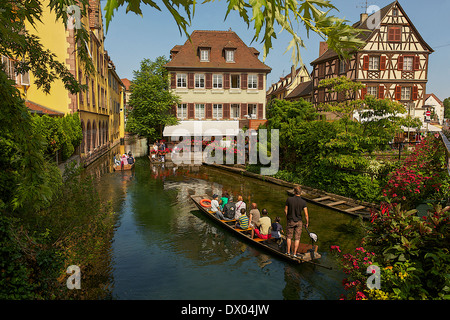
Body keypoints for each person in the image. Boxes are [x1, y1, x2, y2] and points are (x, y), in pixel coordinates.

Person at [285, 186, 309, 257]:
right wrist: (307, 223)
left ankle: (288, 252)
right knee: (297, 238)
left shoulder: (289, 199)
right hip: (299, 221)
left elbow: (285, 210)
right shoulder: (303, 202)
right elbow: (306, 214)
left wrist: (287, 217)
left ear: (294, 192)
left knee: (289, 237)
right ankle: (295, 253)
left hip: (291, 220)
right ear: (300, 193)